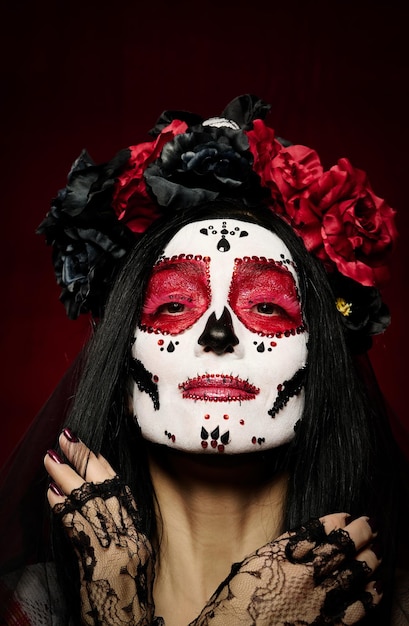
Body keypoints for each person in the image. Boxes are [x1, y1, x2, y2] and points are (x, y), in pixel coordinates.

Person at [1, 94, 408, 625]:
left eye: (265, 305)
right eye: (174, 305)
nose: (218, 333)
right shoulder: (20, 609)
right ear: (121, 365)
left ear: (320, 362)